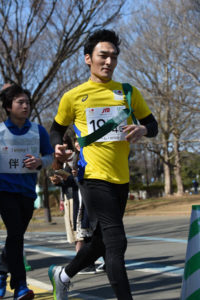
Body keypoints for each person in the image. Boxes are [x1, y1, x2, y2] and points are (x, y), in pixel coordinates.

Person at [48, 29, 158, 300]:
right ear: (88, 58)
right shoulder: (73, 97)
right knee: (117, 242)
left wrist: (143, 130)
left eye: (114, 57)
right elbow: (55, 129)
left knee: (100, 241)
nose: (109, 62)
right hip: (92, 176)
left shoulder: (129, 93)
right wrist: (58, 147)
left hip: (121, 177)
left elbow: (153, 125)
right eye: (103, 56)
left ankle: (62, 275)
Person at [0, 83, 54, 299]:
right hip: (4, 191)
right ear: (8, 106)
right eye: (20, 102)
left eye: (27, 103)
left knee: (16, 237)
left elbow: (51, 158)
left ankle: (1, 273)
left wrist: (40, 161)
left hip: (28, 192)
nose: (25, 106)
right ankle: (20, 285)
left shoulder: (38, 130)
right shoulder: (0, 131)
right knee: (15, 235)